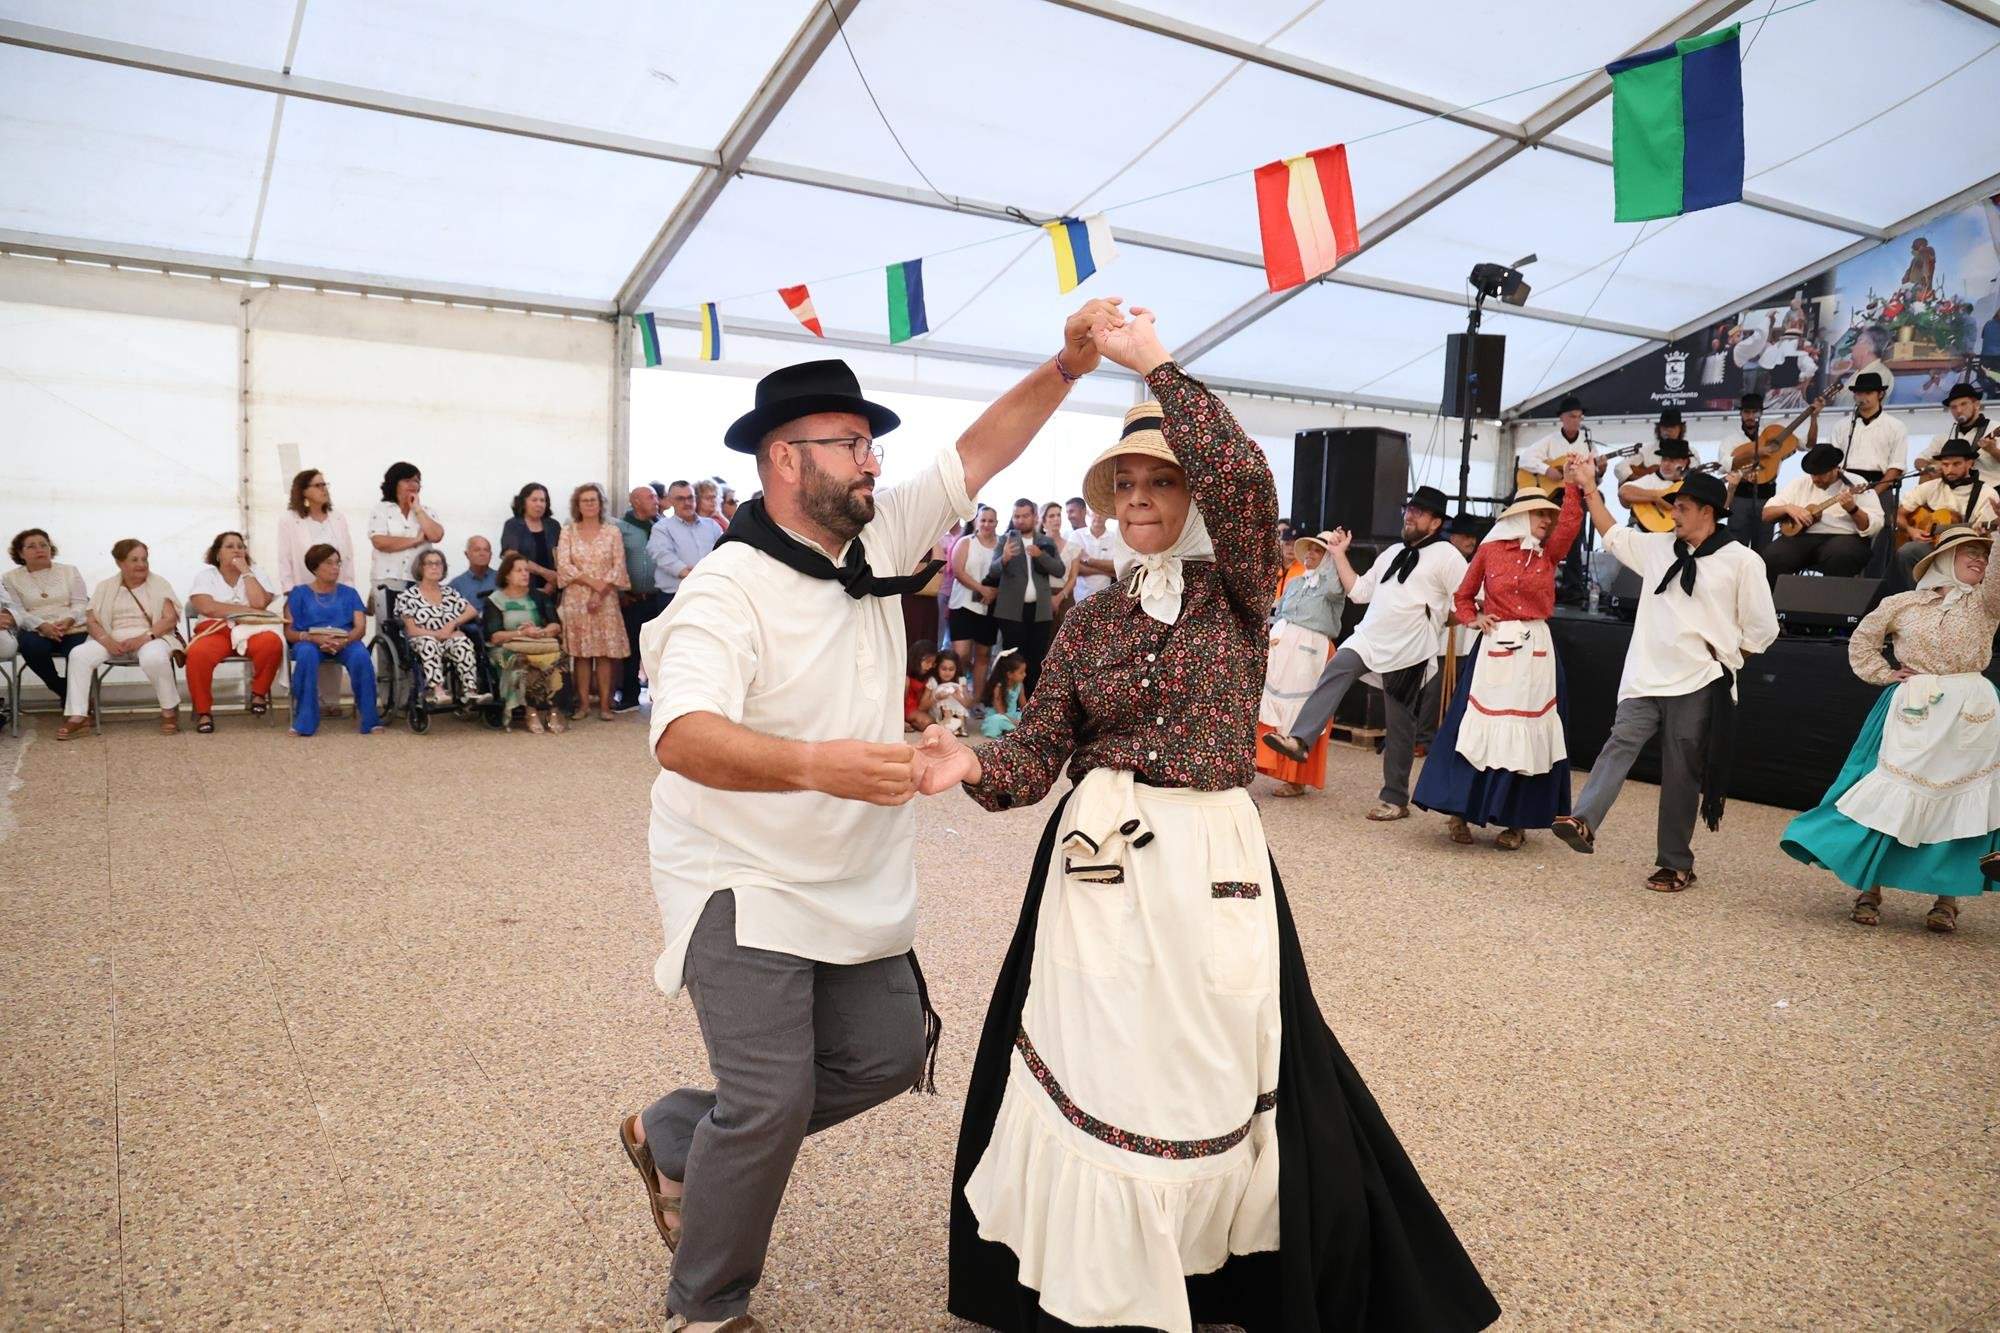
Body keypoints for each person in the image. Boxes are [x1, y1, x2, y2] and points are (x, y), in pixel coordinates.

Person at [912, 309, 1500, 1333]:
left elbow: (1244, 482)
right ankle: (1094, 1279)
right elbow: (1037, 747)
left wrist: (1156, 368)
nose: (1139, 500)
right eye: (1124, 486)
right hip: (1093, 858)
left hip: (1206, 853)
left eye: (1158, 482)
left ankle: (1208, 1272)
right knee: (1097, 1049)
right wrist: (968, 760)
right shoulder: (1090, 616)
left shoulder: (1234, 593)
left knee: (1209, 1059)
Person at [618, 303, 1111, 1333]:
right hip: (737, 871)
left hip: (850, 867)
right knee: (767, 1099)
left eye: (870, 442)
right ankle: (706, 1306)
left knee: (889, 1053)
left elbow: (981, 448)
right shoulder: (722, 591)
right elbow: (682, 736)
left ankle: (673, 1131)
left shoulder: (873, 530)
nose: (871, 460)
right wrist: (817, 764)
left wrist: (1064, 365)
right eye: (849, 444)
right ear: (781, 460)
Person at [1552, 463, 1778, 891]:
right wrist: (1588, 489)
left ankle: (1675, 863)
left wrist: (1723, 659)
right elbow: (1613, 534)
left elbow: (1763, 629)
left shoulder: (1742, 561)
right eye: (1675, 506)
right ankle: (1583, 820)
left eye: (1683, 507)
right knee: (1619, 742)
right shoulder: (1658, 548)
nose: (1673, 514)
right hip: (1645, 675)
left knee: (1681, 772)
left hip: (1699, 680)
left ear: (1708, 512)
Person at [1780, 526, 1998, 933]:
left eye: (1984, 555)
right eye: (1969, 551)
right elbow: (1862, 641)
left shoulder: (1985, 604)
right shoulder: (1902, 604)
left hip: (1970, 709)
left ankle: (1946, 901)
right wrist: (1885, 673)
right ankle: (1870, 889)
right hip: (1912, 706)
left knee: (1959, 802)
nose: (1979, 560)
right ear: (1943, 559)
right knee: (1883, 795)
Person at [1262, 485, 1469, 822]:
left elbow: (1467, 598)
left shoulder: (1447, 556)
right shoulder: (1389, 553)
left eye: (1419, 511)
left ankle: (1395, 799)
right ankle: (1300, 740)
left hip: (1410, 648)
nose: (1410, 514)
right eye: (1409, 509)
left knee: (1400, 724)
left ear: (1435, 523)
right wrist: (1340, 553)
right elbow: (1359, 592)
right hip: (1370, 637)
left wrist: (1442, 619)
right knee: (1337, 667)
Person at [1412, 487, 1583, 850]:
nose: (1547, 522)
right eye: (1540, 515)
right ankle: (1458, 811)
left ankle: (1515, 821)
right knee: (1474, 727)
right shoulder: (1489, 552)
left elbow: (1570, 523)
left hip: (1534, 651)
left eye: (1548, 516)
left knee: (1529, 732)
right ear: (1521, 516)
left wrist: (1573, 485)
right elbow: (1462, 595)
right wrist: (1474, 619)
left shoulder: (1548, 554)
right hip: (1494, 650)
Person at [58, 539, 182, 740]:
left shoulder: (159, 584)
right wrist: (106, 641)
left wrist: (144, 637)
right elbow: (91, 621)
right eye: (134, 560)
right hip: (112, 638)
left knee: (154, 658)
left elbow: (169, 620)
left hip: (151, 636)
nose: (141, 565)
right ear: (119, 563)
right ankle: (78, 716)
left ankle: (169, 711)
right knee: (78, 654)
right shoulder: (105, 586)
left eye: (144, 559)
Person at [1255, 531, 1345, 798]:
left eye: (1318, 551)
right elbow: (1279, 611)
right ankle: (1269, 764)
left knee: (1302, 711)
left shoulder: (1333, 584)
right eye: (1309, 550)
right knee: (1272, 707)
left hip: (1311, 650)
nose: (1310, 555)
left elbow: (1334, 590)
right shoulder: (1295, 582)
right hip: (1284, 647)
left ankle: (1297, 778)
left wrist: (1335, 558)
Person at [185, 531, 285, 733]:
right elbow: (207, 607)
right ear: (217, 553)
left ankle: (258, 693)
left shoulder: (256, 572)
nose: (237, 550)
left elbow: (259, 603)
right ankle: (204, 712)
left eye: (240, 546)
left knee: (272, 642)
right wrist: (246, 610)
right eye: (229, 546)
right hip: (215, 629)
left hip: (251, 629)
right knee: (197, 654)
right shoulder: (206, 576)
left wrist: (246, 572)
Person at [283, 546, 382, 736]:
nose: (335, 567)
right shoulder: (298, 593)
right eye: (329, 563)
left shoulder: (349, 593)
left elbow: (360, 628)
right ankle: (304, 721)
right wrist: (312, 638)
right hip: (309, 641)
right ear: (314, 567)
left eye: (337, 562)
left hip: (345, 640)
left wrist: (344, 641)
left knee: (361, 655)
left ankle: (370, 720)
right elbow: (289, 631)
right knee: (305, 654)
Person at [557, 482, 631, 720]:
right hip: (577, 598)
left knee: (604, 653)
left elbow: (618, 566)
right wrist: (592, 584)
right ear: (577, 505)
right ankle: (584, 705)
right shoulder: (568, 531)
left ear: (601, 504)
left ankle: (606, 705)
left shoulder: (613, 532)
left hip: (606, 598)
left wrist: (600, 592)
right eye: (584, 500)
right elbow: (564, 566)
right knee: (581, 654)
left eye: (593, 500)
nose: (589, 504)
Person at [1761, 444, 1883, 582]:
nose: (1815, 479)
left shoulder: (1857, 484)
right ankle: (1778, 602)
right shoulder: (1799, 484)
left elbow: (1875, 526)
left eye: (1821, 474)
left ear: (1835, 469)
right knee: (1773, 556)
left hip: (1845, 536)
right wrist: (1787, 508)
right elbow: (1766, 513)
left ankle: (1834, 602)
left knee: (1841, 555)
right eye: (1813, 473)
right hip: (1803, 537)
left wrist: (1853, 509)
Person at [983, 498, 1065, 693]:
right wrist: (1004, 558)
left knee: (1036, 658)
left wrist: (1040, 555)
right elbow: (992, 572)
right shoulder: (1004, 540)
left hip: (1040, 611)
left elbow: (1060, 570)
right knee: (1012, 660)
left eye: (1025, 516)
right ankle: (1009, 703)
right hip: (1011, 611)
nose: (1020, 520)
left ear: (1034, 516)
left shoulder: (1046, 541)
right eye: (1016, 516)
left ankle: (1031, 705)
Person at [483, 552, 567, 734]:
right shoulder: (495, 600)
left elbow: (556, 625)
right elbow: (494, 636)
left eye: (527, 570)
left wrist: (541, 632)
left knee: (560, 658)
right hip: (506, 648)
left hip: (538, 644)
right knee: (522, 660)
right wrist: (521, 633)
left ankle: (553, 710)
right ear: (506, 575)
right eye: (519, 570)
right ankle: (531, 711)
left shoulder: (539, 597)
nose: (525, 574)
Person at [6, 528, 91, 702]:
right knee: (32, 647)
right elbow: (17, 610)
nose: (40, 549)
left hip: (72, 625)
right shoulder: (10, 578)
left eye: (44, 545)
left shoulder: (70, 571)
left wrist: (69, 619)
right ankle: (62, 690)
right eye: (32, 546)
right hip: (35, 628)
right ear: (21, 553)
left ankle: (75, 703)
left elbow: (81, 602)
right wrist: (41, 625)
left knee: (79, 652)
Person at [1895, 438, 1998, 583]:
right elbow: (1899, 514)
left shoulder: (1986, 494)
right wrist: (1911, 530)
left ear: (1970, 463)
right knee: (1907, 551)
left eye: (1956, 464)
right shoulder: (1930, 487)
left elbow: (1989, 538)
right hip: (1932, 548)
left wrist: (1982, 532)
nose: (1949, 470)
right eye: (1945, 464)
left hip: (1965, 552)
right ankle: (1918, 599)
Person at [395, 550, 486, 706]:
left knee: (462, 641)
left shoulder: (449, 592)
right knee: (428, 642)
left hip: (447, 637)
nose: (435, 567)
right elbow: (412, 630)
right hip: (420, 640)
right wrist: (438, 634)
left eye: (439, 563)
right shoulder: (407, 596)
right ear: (420, 568)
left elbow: (471, 610)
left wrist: (452, 625)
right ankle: (438, 691)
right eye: (429, 563)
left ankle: (470, 692)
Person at [615, 484, 668, 711]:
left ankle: (664, 697)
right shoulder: (621, 528)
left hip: (659, 596)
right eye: (650, 498)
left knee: (662, 648)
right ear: (635, 502)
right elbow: (615, 559)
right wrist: (620, 592)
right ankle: (629, 696)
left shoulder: (663, 526)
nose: (656, 501)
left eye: (656, 497)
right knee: (632, 649)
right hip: (633, 598)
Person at [646, 479, 724, 619]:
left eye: (690, 498)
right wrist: (700, 576)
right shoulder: (662, 528)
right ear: (671, 501)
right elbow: (665, 558)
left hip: (709, 596)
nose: (687, 503)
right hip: (675, 598)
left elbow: (724, 555)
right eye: (680, 499)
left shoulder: (712, 526)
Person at [948, 505, 1001, 705]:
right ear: (976, 521)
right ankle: (955, 697)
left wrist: (994, 592)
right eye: (983, 520)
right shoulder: (965, 542)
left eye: (991, 520)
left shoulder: (1001, 545)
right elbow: (958, 571)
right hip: (962, 605)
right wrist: (981, 589)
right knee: (960, 655)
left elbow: (1008, 574)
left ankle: (976, 700)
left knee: (983, 654)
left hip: (989, 607)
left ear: (996, 523)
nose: (987, 524)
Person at [276, 469, 358, 589]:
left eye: (324, 484)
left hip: (338, 592)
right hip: (304, 591)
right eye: (317, 486)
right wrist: (289, 591)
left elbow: (348, 557)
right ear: (303, 491)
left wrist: (350, 587)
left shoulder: (338, 518)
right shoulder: (289, 520)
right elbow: (285, 560)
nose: (323, 489)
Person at [367, 461, 443, 591]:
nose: (413, 485)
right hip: (388, 578)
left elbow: (436, 536)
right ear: (395, 483)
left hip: (419, 580)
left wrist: (417, 509)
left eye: (416, 481)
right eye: (407, 480)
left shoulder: (427, 512)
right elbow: (380, 542)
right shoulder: (381, 510)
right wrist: (416, 540)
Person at [1718, 393, 1780, 551]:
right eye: (1746, 412)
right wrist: (1755, 453)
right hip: (1740, 497)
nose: (1750, 416)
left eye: (1754, 412)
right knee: (1736, 546)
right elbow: (1726, 465)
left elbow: (1805, 445)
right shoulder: (1731, 441)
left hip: (1767, 495)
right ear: (1741, 413)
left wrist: (1813, 416)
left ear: (1761, 413)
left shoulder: (1772, 436)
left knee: (1764, 547)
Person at [1916, 382, 2000, 486]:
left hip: (1991, 490)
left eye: (1963, 404)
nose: (1959, 410)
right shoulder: (1945, 435)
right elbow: (1920, 459)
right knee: (1926, 476)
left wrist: (1993, 451)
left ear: (1976, 405)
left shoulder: (1994, 428)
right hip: (1955, 492)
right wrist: (1928, 469)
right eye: (1953, 407)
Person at [501, 483, 562, 596]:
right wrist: (545, 573)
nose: (539, 504)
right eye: (534, 500)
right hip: (522, 590)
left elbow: (563, 557)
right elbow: (511, 556)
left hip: (553, 589)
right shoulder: (513, 525)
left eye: (542, 500)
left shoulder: (553, 525)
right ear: (523, 502)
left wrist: (552, 582)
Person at [1038, 501, 1078, 618]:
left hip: (1065, 597)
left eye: (1058, 515)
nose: (1056, 519)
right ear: (1043, 521)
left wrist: (1059, 598)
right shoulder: (1036, 545)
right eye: (1052, 516)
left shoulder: (1073, 547)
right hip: (1041, 597)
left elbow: (1073, 578)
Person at [1068, 503, 1115, 603]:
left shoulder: (1115, 538)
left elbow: (1116, 566)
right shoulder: (1076, 535)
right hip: (1080, 599)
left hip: (1106, 600)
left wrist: (1089, 560)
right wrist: (1106, 572)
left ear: (1107, 515)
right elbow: (1075, 568)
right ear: (1088, 513)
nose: (1098, 516)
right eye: (1095, 511)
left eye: (1101, 512)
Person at [978, 649, 1026, 738]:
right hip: (1000, 716)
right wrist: (1014, 722)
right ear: (1009, 674)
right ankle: (1009, 730)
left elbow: (1023, 705)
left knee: (1023, 717)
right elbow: (1000, 712)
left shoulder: (1019, 685)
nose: (1025, 675)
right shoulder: (999, 688)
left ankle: (1010, 730)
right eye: (1021, 673)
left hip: (1013, 715)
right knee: (997, 720)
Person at [925, 649, 971, 735]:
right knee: (944, 691)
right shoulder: (933, 681)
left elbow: (968, 703)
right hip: (939, 713)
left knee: (956, 692)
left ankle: (961, 725)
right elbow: (922, 706)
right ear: (937, 667)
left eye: (951, 669)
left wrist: (958, 697)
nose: (947, 672)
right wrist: (936, 697)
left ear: (956, 669)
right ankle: (947, 721)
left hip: (957, 711)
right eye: (944, 669)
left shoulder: (961, 681)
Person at [449, 536, 498, 606]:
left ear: (491, 554)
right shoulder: (456, 585)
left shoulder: (503, 578)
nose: (482, 554)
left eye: (486, 550)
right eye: (477, 550)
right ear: (466, 554)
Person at [905, 638, 939, 731]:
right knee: (928, 722)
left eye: (932, 663)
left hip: (919, 708)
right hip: (906, 707)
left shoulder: (929, 677)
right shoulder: (906, 676)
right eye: (927, 662)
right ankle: (901, 721)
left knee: (930, 724)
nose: (929, 666)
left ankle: (912, 723)